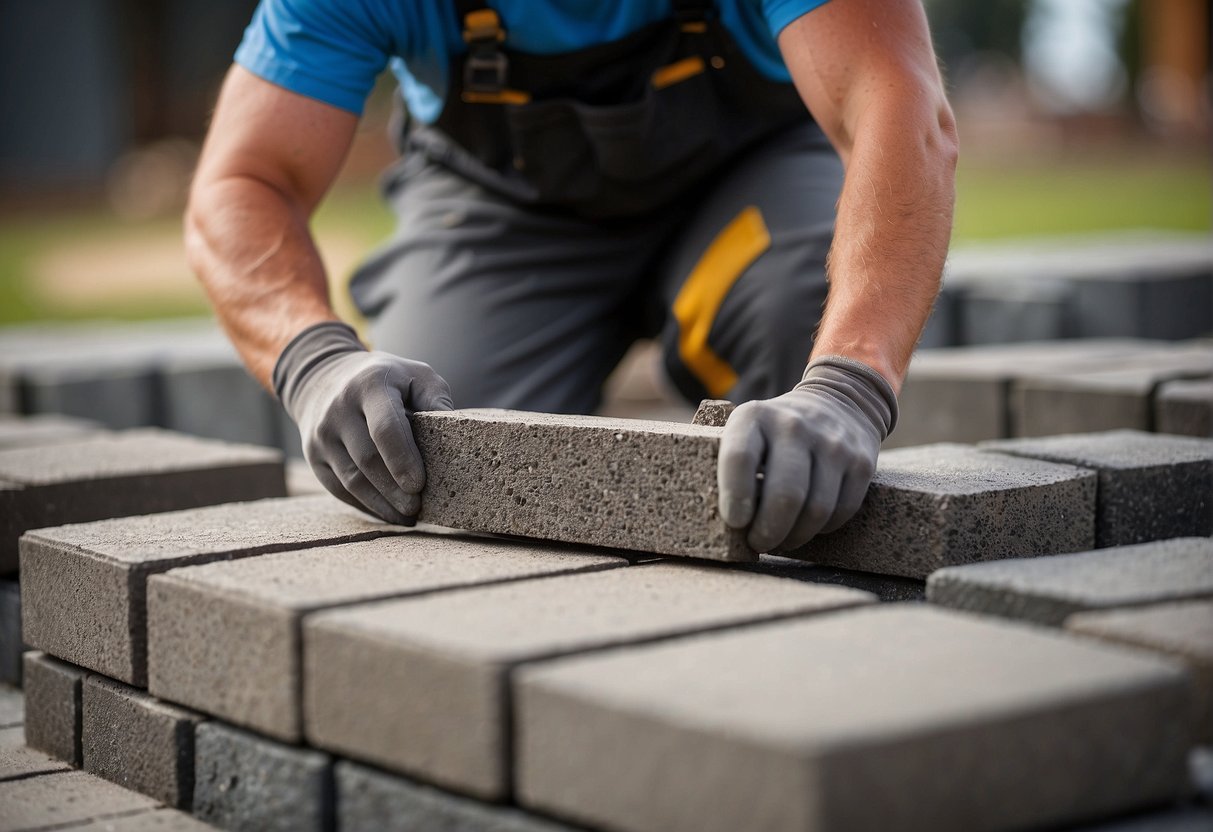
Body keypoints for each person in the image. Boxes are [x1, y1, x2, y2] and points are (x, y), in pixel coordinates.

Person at [186, 0, 958, 554]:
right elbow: (242, 184)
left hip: (745, 183)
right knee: (432, 454)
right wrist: (313, 360)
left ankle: (725, 350)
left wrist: (848, 385)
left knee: (804, 389)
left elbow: (895, 102)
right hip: (503, 208)